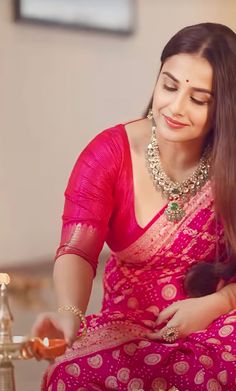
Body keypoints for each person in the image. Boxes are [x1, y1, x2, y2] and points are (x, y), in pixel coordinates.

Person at [32, 22, 236, 391]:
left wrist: (216, 304)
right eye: (169, 86)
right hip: (131, 324)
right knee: (72, 374)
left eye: (199, 99)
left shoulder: (231, 163)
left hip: (223, 321)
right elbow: (78, 249)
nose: (175, 107)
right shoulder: (108, 155)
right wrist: (69, 317)